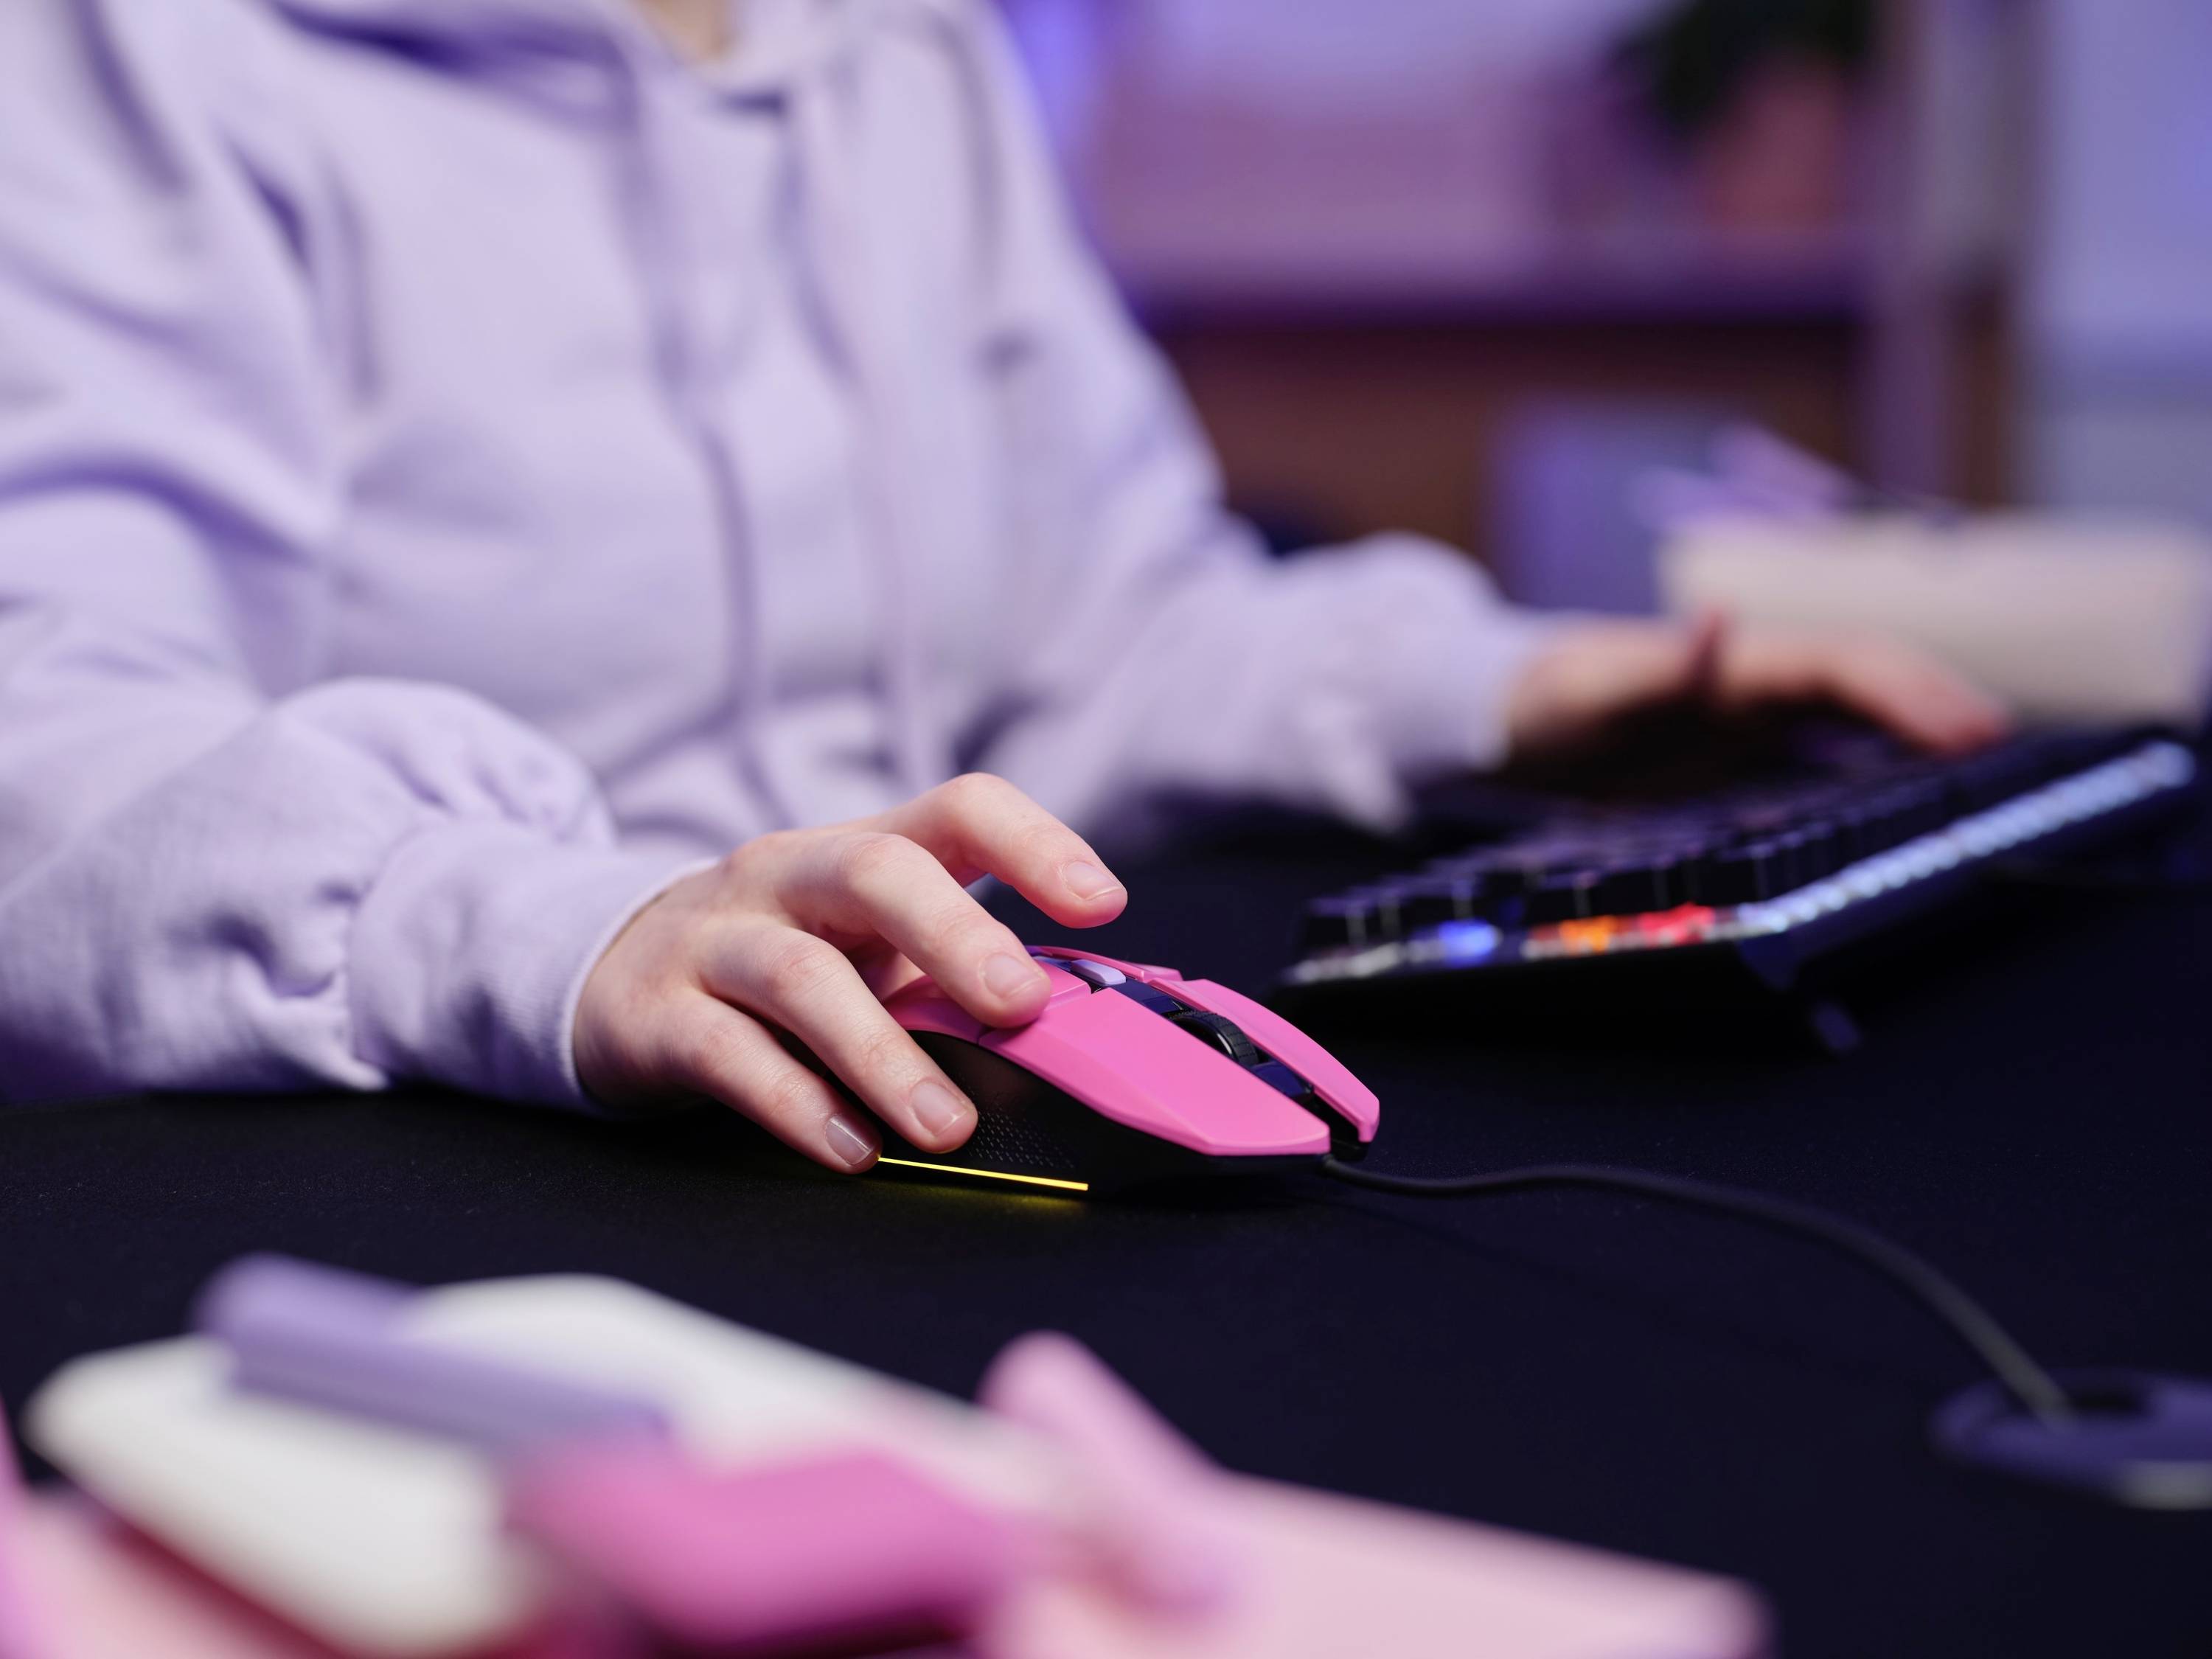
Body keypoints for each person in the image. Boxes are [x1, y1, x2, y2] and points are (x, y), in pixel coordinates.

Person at [0, 0, 2006, 1172]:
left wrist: (1496, 693)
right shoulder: (136, 51)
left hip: (918, 1087)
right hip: (460, 1128)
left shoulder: (910, 46)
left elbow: (1101, 629)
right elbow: (52, 736)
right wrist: (536, 930)